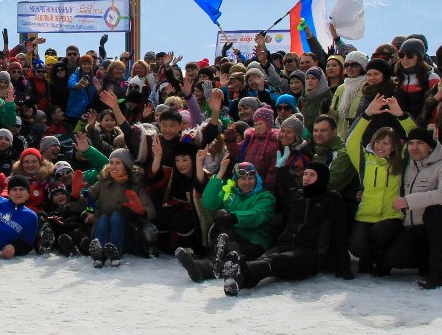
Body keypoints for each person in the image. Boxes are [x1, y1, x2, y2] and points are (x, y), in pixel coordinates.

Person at [221, 161, 351, 296]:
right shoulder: (294, 195)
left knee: (276, 260)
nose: (306, 178)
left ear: (322, 177)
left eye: (312, 175)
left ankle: (240, 271)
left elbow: (339, 231)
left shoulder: (331, 199)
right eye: (305, 174)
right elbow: (285, 223)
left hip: (309, 253)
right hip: (286, 245)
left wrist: (344, 266)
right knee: (265, 259)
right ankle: (241, 280)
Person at [383, 128, 442, 289]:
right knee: (394, 258)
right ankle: (437, 260)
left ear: (431, 147)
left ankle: (440, 275)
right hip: (416, 228)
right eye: (411, 143)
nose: (414, 148)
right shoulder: (406, 166)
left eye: (420, 143)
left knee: (435, 212)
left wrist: (409, 201)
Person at [346, 96, 415, 275]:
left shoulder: (402, 161)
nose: (381, 146)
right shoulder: (364, 160)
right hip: (366, 214)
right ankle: (370, 257)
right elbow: (351, 141)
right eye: (378, 141)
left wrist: (401, 115)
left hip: (391, 215)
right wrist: (367, 114)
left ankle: (384, 258)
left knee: (380, 233)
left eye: (386, 143)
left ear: (394, 147)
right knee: (356, 246)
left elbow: (415, 135)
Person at [178, 160, 275, 283]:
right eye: (242, 179)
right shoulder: (230, 193)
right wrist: (219, 175)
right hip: (230, 236)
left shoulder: (265, 196)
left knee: (229, 253)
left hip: (253, 240)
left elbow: (258, 215)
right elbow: (208, 202)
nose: (247, 183)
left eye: (251, 178)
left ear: (256, 179)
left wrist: (234, 217)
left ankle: (202, 267)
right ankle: (207, 263)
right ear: (236, 180)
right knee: (221, 215)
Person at [84, 149, 156, 267]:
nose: (113, 166)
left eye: (118, 163)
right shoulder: (104, 182)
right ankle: (99, 252)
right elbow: (86, 201)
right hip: (103, 228)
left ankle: (115, 250)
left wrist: (141, 211)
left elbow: (151, 212)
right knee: (103, 218)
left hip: (127, 233)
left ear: (126, 165)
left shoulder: (135, 186)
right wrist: (76, 195)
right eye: (111, 162)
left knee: (117, 216)